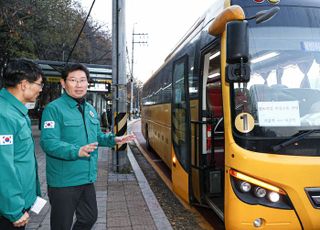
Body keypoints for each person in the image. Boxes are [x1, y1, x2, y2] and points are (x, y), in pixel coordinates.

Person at [40, 63, 135, 230]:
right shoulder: (53, 109)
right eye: (73, 80)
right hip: (63, 181)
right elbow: (49, 143)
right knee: (61, 225)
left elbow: (96, 136)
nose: (79, 85)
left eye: (83, 80)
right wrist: (76, 151)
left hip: (86, 178)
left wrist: (114, 139)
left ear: (87, 83)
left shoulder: (90, 109)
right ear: (63, 83)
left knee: (89, 218)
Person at [0, 59, 43, 229]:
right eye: (39, 84)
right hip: (8, 210)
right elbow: (3, 166)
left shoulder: (16, 111)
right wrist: (14, 210)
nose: (40, 89)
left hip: (18, 203)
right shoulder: (4, 114)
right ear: (24, 84)